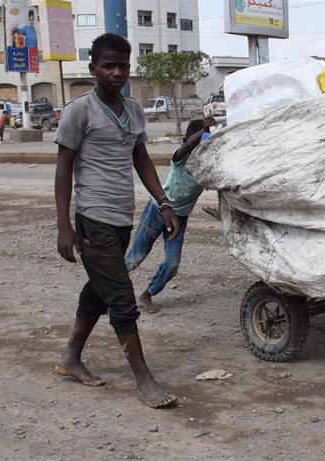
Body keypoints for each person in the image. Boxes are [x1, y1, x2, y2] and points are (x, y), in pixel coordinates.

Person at [53, 33, 180, 409]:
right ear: (93, 69)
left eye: (123, 65)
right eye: (108, 65)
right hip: (93, 219)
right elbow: (63, 170)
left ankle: (70, 358)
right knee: (122, 299)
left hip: (121, 219)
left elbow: (141, 159)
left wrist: (164, 202)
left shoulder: (134, 110)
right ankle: (144, 380)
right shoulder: (80, 111)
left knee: (99, 290)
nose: (117, 72)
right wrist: (64, 224)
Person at [125, 116, 215, 313]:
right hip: (158, 210)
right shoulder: (180, 157)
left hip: (179, 219)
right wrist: (205, 131)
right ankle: (105, 292)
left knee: (173, 264)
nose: (201, 146)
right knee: (135, 257)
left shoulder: (206, 167)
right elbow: (191, 143)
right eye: (198, 142)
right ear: (187, 141)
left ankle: (147, 294)